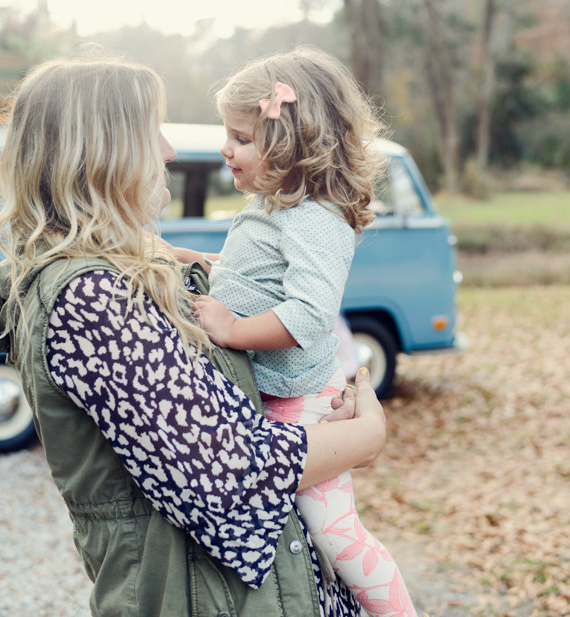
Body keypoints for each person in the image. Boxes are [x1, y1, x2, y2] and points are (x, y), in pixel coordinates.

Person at [0, 55, 390, 617]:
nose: (170, 152)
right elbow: (233, 474)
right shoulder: (89, 300)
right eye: (150, 133)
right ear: (102, 151)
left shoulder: (117, 272)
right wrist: (367, 436)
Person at [174, 47, 418, 617]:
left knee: (336, 534)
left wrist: (232, 329)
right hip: (277, 401)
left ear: (290, 146)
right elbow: (251, 278)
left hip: (300, 403)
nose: (224, 148)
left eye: (240, 138)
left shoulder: (315, 218)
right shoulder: (274, 209)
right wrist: (188, 260)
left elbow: (308, 314)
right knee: (304, 540)